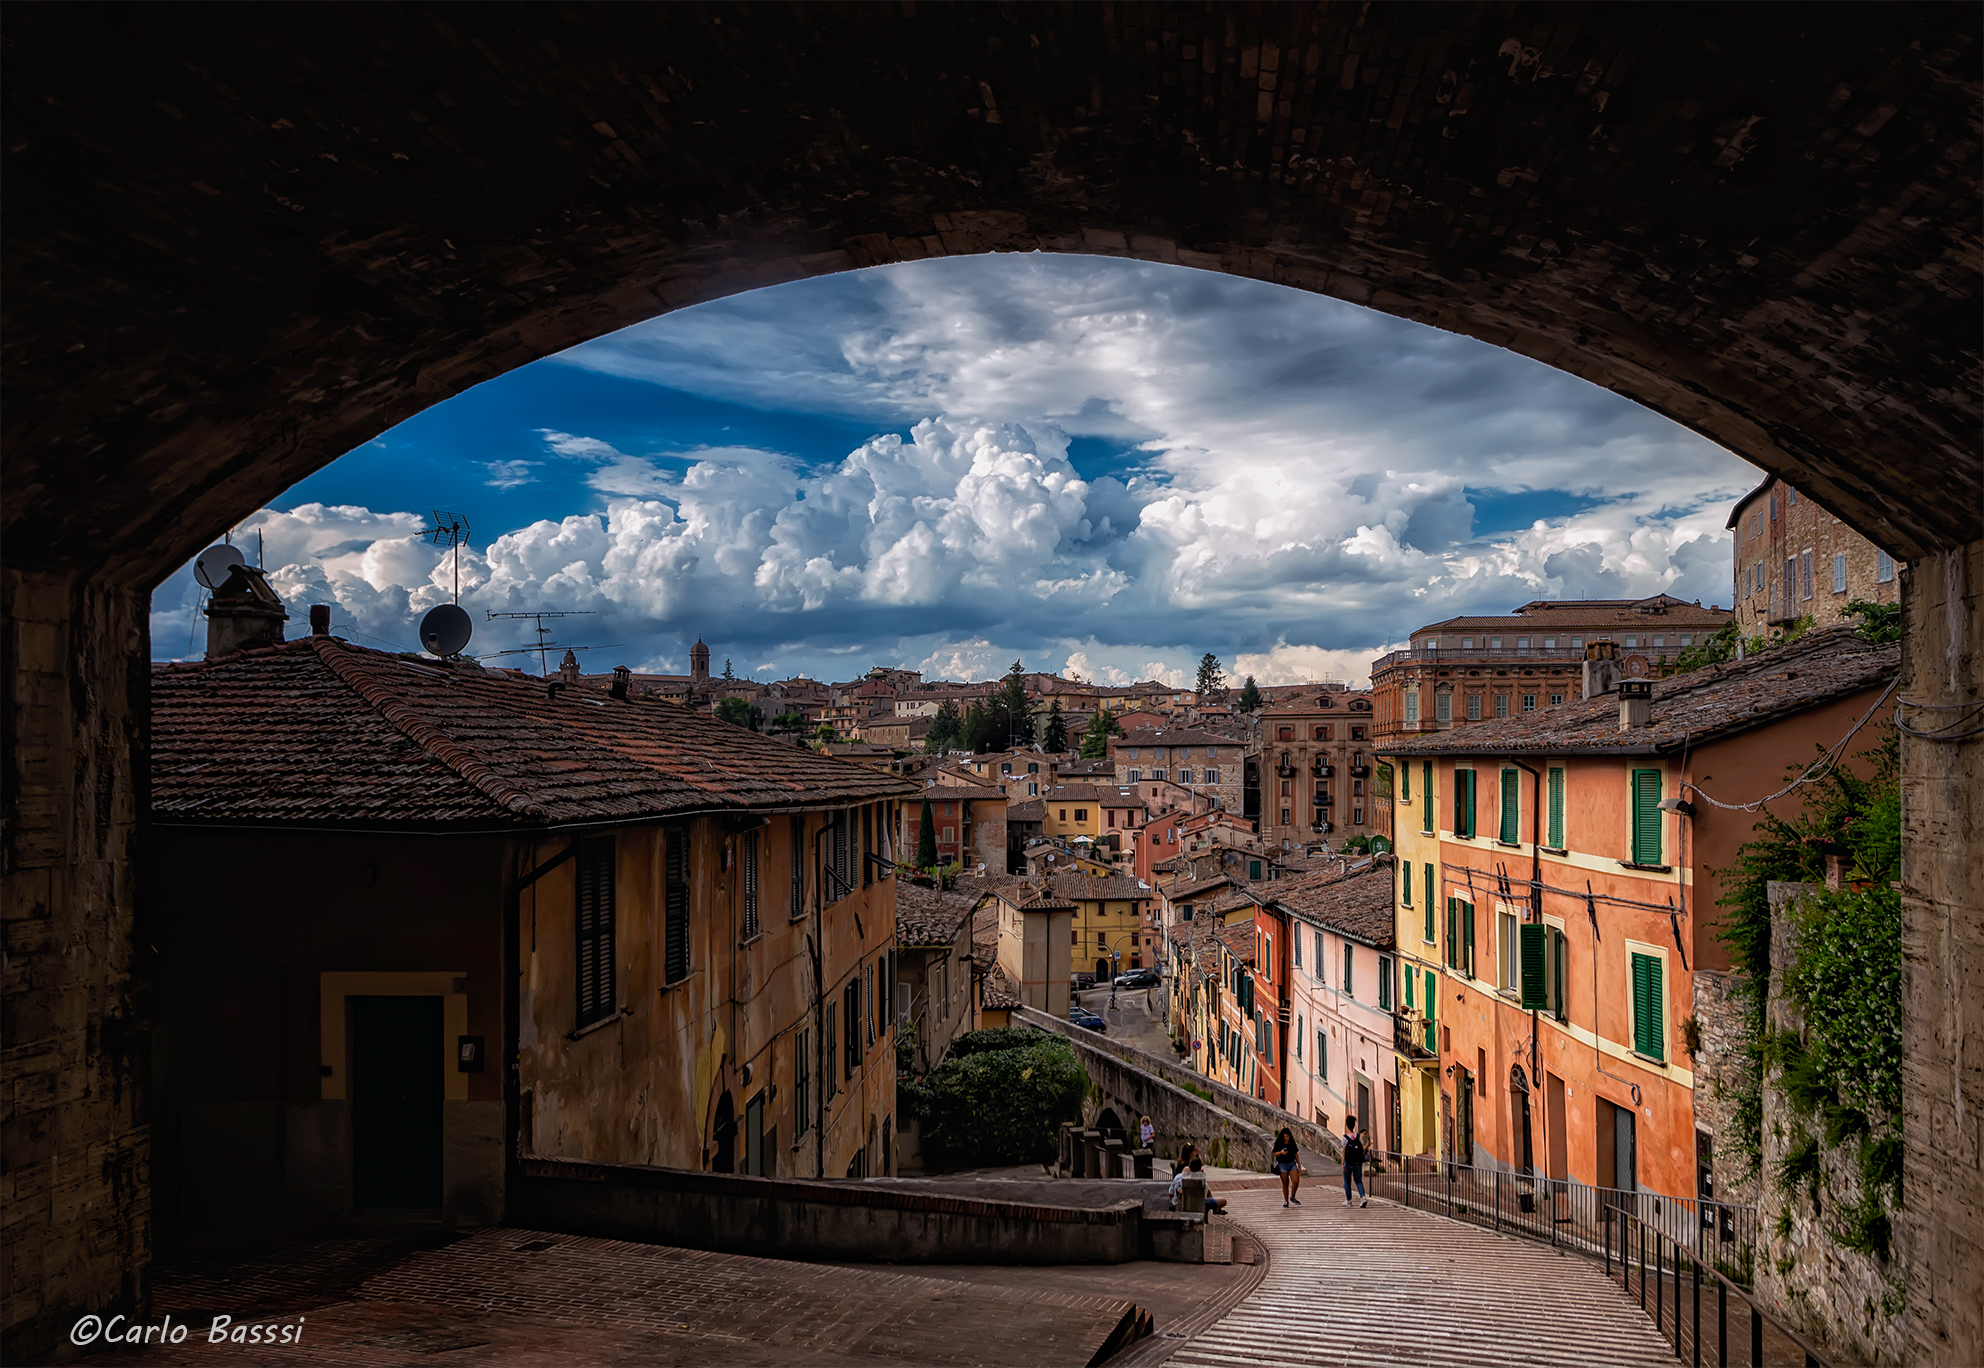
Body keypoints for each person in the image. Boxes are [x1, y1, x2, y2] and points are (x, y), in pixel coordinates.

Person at [1341, 1115, 1367, 1207]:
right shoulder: (1358, 1137)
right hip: (1358, 1162)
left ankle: (1348, 1201)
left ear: (1347, 1125)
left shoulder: (1345, 1138)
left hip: (1348, 1162)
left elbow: (1343, 1151)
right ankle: (1363, 1197)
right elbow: (1363, 1150)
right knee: (1358, 1180)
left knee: (1347, 1181)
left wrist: (1342, 1164)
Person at [1272, 1127, 1302, 1207]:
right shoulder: (1278, 1143)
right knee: (1285, 1183)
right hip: (1282, 1164)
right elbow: (1274, 1153)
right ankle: (1286, 1200)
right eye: (1285, 1137)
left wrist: (1299, 1165)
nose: (1286, 1138)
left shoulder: (1292, 1143)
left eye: (1287, 1137)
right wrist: (1281, 1153)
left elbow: (1296, 1154)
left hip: (1292, 1163)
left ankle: (1292, 1196)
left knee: (1295, 1181)